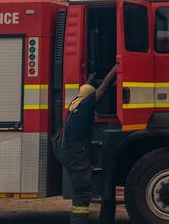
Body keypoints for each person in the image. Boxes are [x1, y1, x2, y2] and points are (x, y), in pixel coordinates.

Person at [60, 64, 117, 224]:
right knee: (82, 192)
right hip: (76, 153)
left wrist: (90, 78)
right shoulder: (87, 104)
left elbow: (85, 89)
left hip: (69, 152)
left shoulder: (76, 103)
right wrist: (118, 66)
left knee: (81, 189)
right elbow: (105, 85)